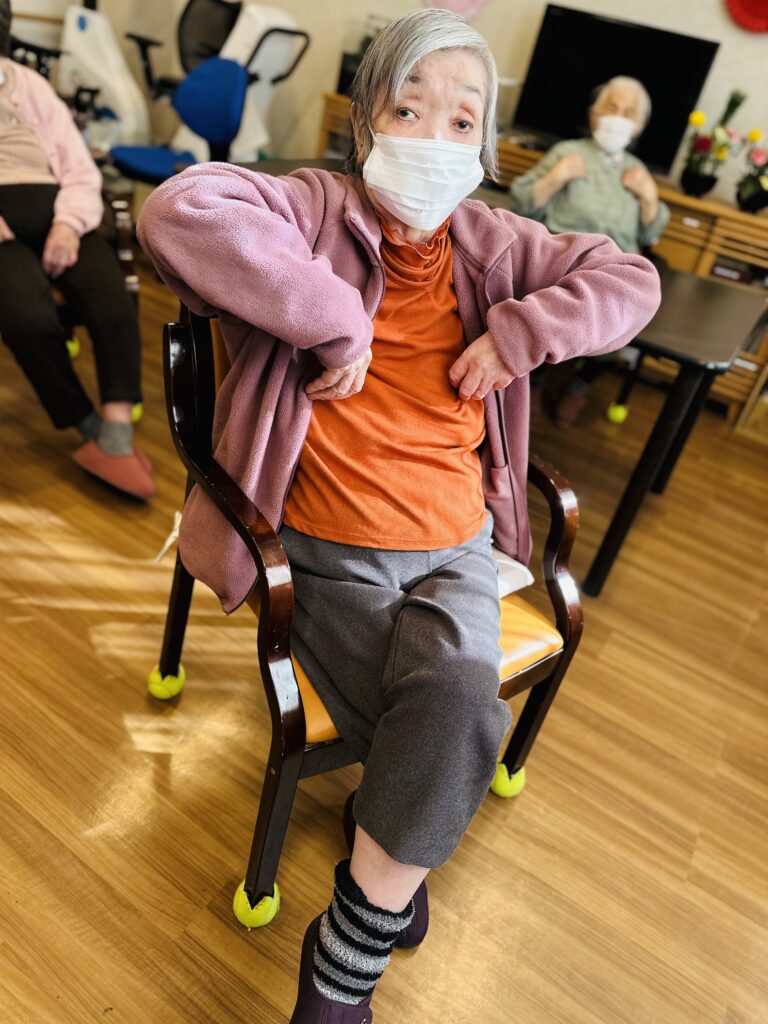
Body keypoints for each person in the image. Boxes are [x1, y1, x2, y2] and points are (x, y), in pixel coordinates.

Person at [138, 10, 660, 1021]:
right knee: (450, 717)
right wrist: (336, 320)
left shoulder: (493, 244)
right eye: (408, 108)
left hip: (459, 546)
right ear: (366, 119)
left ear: (484, 145)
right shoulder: (314, 207)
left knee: (455, 697)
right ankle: (390, 878)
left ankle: (351, 930)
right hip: (326, 548)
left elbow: (629, 279)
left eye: (461, 120)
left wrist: (521, 334)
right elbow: (178, 209)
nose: (432, 137)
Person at [0, 0, 153, 499]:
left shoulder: (28, 84)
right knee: (27, 320)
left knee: (112, 303)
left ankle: (117, 433)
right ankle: (86, 424)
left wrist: (67, 225)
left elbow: (80, 167)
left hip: (62, 211)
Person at [510, 76, 670, 426]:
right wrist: (557, 176)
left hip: (615, 268)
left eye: (628, 113)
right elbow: (524, 201)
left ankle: (578, 386)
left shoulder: (637, 170)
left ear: (639, 126)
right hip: (564, 258)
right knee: (544, 308)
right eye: (611, 107)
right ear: (595, 113)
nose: (618, 118)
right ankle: (535, 380)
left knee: (627, 318)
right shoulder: (567, 152)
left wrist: (649, 198)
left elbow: (651, 231)